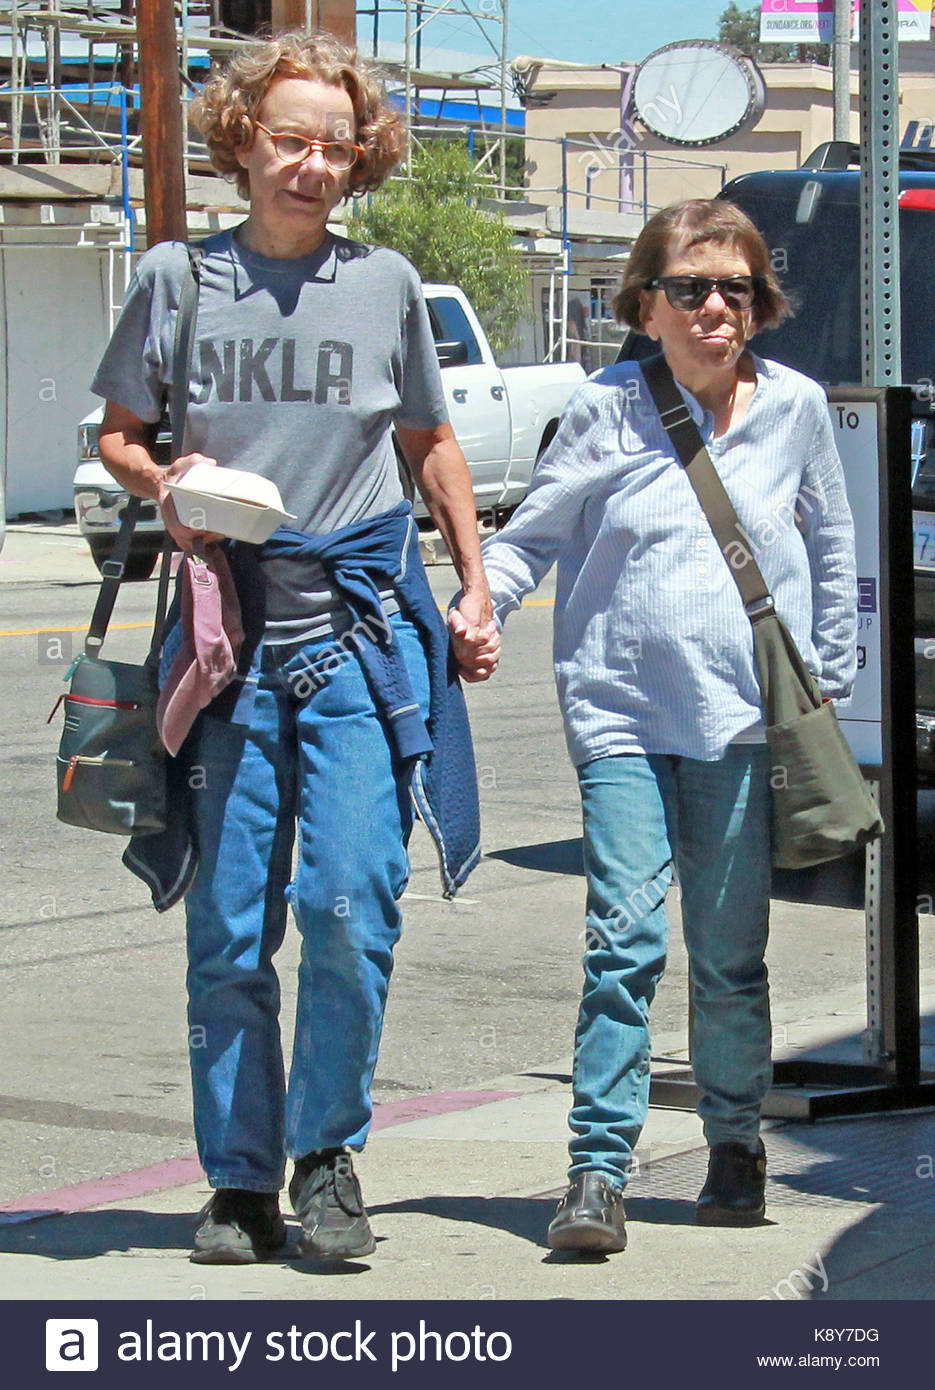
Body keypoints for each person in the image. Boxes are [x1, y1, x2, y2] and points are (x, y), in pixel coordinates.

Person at [91, 30, 497, 1266]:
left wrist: (473, 586)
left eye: (337, 144)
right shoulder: (175, 277)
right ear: (244, 141)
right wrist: (166, 478)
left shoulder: (384, 285)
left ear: (357, 157)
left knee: (349, 902)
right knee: (226, 927)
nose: (313, 164)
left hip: (356, 645)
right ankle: (237, 1180)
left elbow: (429, 444)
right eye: (290, 139)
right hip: (225, 651)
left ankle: (327, 1157)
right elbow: (119, 435)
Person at [476, 198, 857, 1253]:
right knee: (622, 944)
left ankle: (733, 1145)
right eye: (688, 289)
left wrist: (820, 677)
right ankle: (596, 1171)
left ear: (758, 303)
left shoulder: (793, 407)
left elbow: (830, 546)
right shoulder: (604, 408)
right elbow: (533, 535)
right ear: (645, 305)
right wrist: (474, 609)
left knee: (730, 953)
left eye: (733, 288)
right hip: (618, 713)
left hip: (740, 721)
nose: (713, 308)